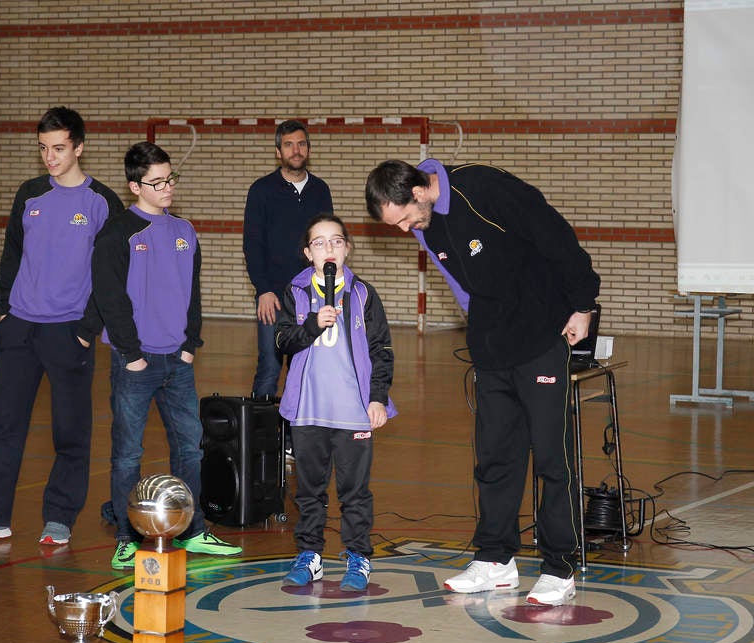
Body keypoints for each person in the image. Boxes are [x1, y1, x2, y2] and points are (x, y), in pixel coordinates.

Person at [365, 159, 600, 606]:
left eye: (403, 219)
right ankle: (496, 559)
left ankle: (558, 567)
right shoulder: (426, 225)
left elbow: (555, 234)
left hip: (540, 335)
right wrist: (480, 329)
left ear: (418, 192)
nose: (404, 230)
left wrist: (583, 304)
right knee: (494, 458)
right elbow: (460, 283)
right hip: (492, 349)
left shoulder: (484, 188)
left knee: (552, 458)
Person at [0, 107, 124, 546]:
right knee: (2, 425)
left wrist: (87, 327)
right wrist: (4, 311)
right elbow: (11, 254)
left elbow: (112, 275)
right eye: (44, 149)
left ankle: (60, 517)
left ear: (79, 147)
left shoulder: (102, 202)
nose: (50, 158)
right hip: (20, 330)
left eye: (59, 149)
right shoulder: (28, 194)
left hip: (69, 333)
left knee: (70, 431)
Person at [91, 141, 242, 569]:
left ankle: (193, 531)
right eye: (156, 182)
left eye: (170, 178)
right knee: (127, 454)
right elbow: (108, 297)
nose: (167, 188)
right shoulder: (117, 233)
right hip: (134, 362)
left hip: (177, 362)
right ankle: (125, 535)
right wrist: (131, 353)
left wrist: (191, 344)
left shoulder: (184, 231)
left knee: (190, 450)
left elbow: (192, 294)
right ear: (134, 186)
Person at [275, 213, 397, 591]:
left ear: (347, 248)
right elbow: (282, 342)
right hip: (309, 409)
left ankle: (358, 557)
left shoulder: (362, 293)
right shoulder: (294, 292)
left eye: (336, 241)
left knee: (354, 491)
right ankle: (310, 554)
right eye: (320, 242)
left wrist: (377, 398)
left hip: (353, 411)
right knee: (309, 490)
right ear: (308, 253)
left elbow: (382, 350)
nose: (329, 248)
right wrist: (313, 323)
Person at [243, 120, 334, 401]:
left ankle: (299, 440)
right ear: (278, 151)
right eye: (289, 145)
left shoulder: (320, 190)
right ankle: (260, 440)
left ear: (308, 148)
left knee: (306, 368)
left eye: (301, 144)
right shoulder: (261, 191)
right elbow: (252, 245)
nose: (296, 150)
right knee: (269, 368)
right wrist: (264, 290)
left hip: (311, 298)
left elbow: (328, 242)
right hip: (274, 297)